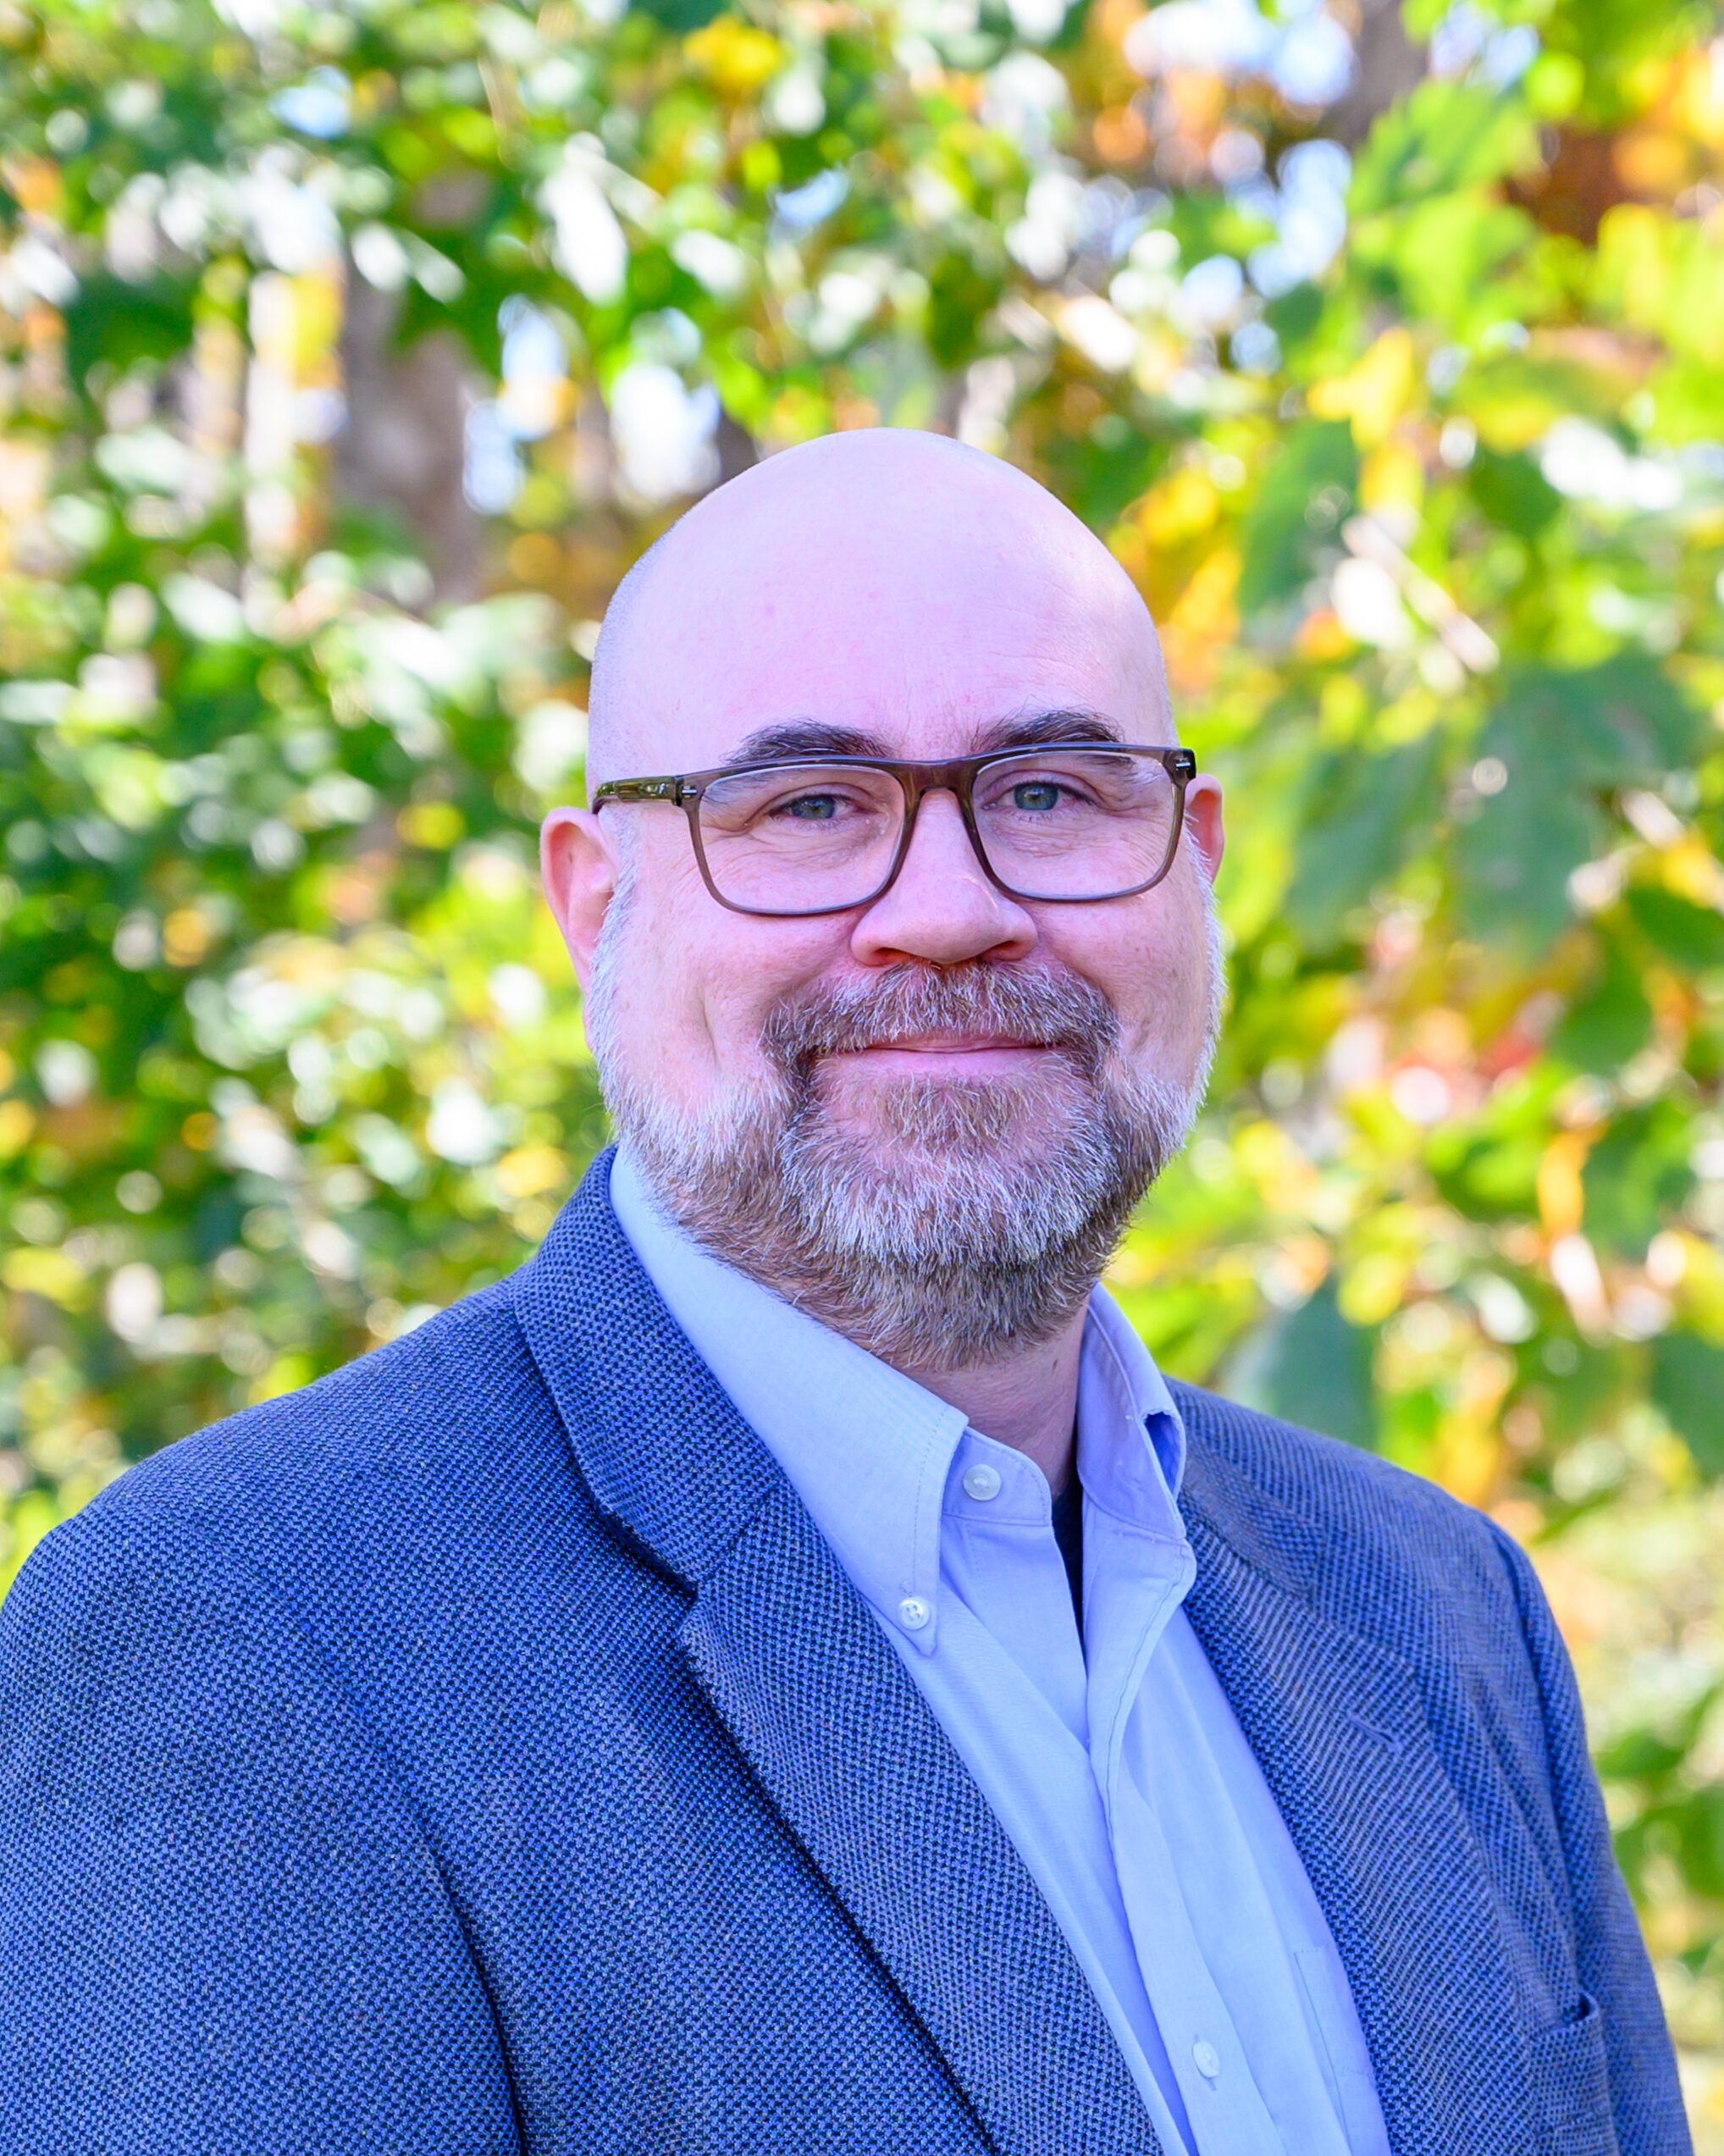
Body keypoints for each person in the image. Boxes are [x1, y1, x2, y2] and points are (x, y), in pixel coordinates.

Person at [0, 429, 1688, 2156]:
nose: (947, 912)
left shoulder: (1434, 1613)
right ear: (596, 904)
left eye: (1047, 790)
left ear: (1190, 862)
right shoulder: (249, 1644)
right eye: (807, 806)